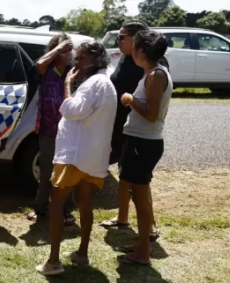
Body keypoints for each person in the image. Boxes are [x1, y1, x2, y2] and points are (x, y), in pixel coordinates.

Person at [37, 42, 117, 276]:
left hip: (75, 154)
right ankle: (82, 254)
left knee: (56, 203)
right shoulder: (105, 83)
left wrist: (67, 83)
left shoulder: (93, 84)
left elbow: (71, 110)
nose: (76, 63)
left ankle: (53, 262)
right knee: (85, 201)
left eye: (81, 58)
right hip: (90, 156)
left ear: (93, 60)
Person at [99, 20, 168, 241]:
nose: (118, 41)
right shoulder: (129, 59)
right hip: (125, 128)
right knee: (125, 176)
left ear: (138, 42)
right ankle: (123, 218)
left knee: (140, 185)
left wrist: (130, 101)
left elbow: (152, 109)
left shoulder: (153, 68)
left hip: (142, 134)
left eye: (122, 37)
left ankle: (149, 229)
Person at [116, 30, 172, 265]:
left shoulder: (156, 75)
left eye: (134, 48)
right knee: (138, 196)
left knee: (140, 199)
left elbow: (151, 114)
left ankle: (143, 253)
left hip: (144, 142)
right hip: (139, 141)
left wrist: (130, 100)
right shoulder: (152, 73)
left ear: (140, 51)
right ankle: (142, 245)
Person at [27, 33, 76, 225]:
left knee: (66, 171)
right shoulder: (47, 70)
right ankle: (41, 209)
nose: (68, 55)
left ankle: (67, 210)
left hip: (70, 131)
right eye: (64, 51)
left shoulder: (73, 72)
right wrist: (58, 48)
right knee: (47, 172)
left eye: (69, 50)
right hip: (48, 130)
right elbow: (38, 66)